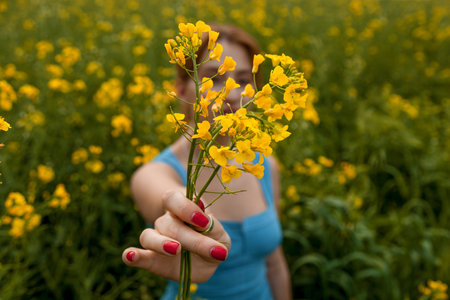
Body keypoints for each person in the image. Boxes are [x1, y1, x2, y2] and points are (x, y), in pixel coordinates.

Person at [122, 24, 292, 300]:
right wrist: (186, 218)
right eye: (214, 77)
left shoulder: (265, 166)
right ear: (181, 89)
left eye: (244, 79)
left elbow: (274, 264)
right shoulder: (152, 174)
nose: (233, 94)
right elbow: (169, 199)